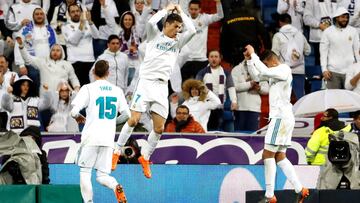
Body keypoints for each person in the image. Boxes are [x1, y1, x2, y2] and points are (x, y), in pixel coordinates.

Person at [114, 3, 196, 179]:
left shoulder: (177, 42)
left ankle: (145, 157)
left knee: (159, 128)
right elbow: (151, 23)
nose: (178, 30)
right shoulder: (154, 37)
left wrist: (182, 12)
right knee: (134, 119)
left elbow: (193, 31)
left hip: (161, 87)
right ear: (166, 25)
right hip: (146, 83)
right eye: (175, 26)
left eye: (180, 28)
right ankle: (116, 150)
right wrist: (166, 10)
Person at [244, 45, 309, 203]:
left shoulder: (284, 69)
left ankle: (269, 195)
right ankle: (300, 189)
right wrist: (249, 61)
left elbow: (264, 71)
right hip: (284, 118)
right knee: (280, 156)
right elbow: (258, 76)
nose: (265, 68)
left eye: (265, 64)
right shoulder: (275, 73)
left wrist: (254, 55)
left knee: (267, 154)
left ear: (271, 61)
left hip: (280, 118)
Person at [70, 60, 130, 203]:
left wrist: (78, 117)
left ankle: (88, 202)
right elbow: (127, 115)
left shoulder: (88, 88)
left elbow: (73, 112)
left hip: (91, 137)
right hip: (108, 139)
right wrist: (112, 123)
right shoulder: (117, 90)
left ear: (93, 72)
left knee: (85, 172)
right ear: (108, 73)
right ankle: (115, 186)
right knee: (102, 175)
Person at [179, 0, 223, 82]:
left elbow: (220, 16)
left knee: (200, 88)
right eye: (191, 9)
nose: (193, 11)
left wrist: (218, 3)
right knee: (184, 87)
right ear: (188, 9)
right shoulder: (184, 20)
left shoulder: (204, 18)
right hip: (186, 59)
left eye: (195, 9)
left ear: (200, 9)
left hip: (201, 59)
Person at [271, 13, 311, 100]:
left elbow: (274, 55)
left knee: (284, 98)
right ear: (291, 22)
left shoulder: (278, 36)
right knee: (299, 97)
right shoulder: (300, 34)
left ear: (280, 22)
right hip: (299, 70)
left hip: (284, 70)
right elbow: (308, 51)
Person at [196, 50, 237, 131]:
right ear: (208, 58)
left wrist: (234, 101)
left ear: (220, 59)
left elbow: (231, 87)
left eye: (216, 57)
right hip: (208, 108)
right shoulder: (201, 73)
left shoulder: (226, 73)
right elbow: (197, 89)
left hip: (222, 107)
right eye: (211, 57)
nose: (213, 59)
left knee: (228, 133)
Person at [320, 7, 360, 89]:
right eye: (343, 17)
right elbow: (323, 52)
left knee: (349, 100)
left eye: (347, 17)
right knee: (334, 100)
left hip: (350, 71)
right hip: (333, 72)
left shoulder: (353, 31)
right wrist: (324, 69)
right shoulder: (327, 32)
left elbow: (357, 51)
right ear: (336, 17)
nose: (345, 19)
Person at [62, 4, 99, 86]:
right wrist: (82, 24)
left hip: (89, 60)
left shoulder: (87, 23)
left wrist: (90, 22)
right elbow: (74, 41)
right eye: (73, 12)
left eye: (78, 11)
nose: (76, 13)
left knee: (89, 89)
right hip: (75, 62)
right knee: (77, 89)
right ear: (69, 14)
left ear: (81, 12)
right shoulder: (65, 26)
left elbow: (96, 36)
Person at [231, 59, 269, 132]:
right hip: (240, 108)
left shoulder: (258, 70)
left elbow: (267, 90)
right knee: (239, 136)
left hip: (254, 109)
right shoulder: (236, 69)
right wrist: (249, 84)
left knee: (252, 135)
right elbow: (233, 87)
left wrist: (259, 88)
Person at [0, 55, 18, 129]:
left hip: (8, 113)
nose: (0, 64)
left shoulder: (13, 75)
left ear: (7, 63)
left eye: (2, 62)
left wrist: (13, 85)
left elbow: (18, 94)